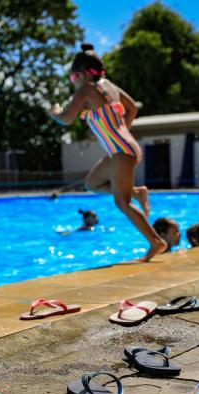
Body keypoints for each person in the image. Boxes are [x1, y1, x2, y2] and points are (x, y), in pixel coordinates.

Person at [49, 43, 166, 262]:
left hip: (121, 150)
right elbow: (132, 108)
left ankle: (156, 242)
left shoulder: (86, 89)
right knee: (91, 184)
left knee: (122, 202)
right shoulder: (109, 86)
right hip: (121, 148)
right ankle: (138, 192)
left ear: (82, 75)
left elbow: (65, 118)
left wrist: (55, 111)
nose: (74, 84)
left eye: (73, 79)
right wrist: (122, 131)